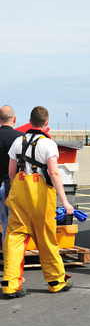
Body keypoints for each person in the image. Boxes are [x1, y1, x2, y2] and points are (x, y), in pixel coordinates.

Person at [1, 106, 74, 299]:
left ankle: (10, 284)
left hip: (20, 198)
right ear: (46, 123)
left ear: (30, 121)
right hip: (41, 200)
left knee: (14, 240)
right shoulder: (48, 144)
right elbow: (54, 173)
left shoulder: (17, 142)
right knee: (46, 240)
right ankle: (56, 281)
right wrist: (65, 202)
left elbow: (11, 173)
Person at [0, 105, 24, 253]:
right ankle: (10, 262)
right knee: (10, 226)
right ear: (14, 119)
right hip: (11, 186)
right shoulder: (20, 138)